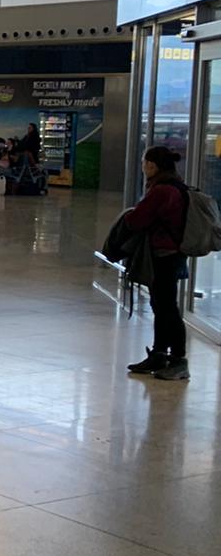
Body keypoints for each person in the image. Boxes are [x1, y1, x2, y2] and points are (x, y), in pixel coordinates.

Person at [124, 146, 191, 381]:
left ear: (152, 165)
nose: (143, 167)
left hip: (164, 255)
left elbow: (137, 220)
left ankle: (179, 360)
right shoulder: (174, 185)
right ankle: (160, 353)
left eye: (144, 163)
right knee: (161, 306)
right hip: (170, 253)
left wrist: (130, 216)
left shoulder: (162, 190)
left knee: (166, 307)